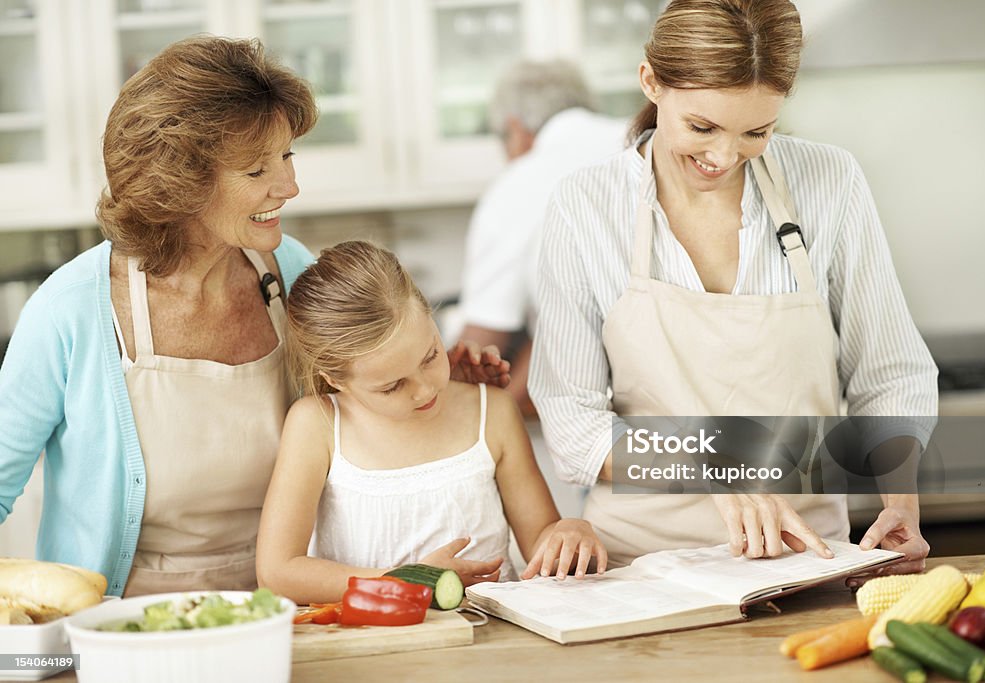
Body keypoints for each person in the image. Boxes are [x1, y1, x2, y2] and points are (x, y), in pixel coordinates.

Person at [0, 36, 508, 598]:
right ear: (179, 184)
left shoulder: (291, 273)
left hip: (299, 611)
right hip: (124, 622)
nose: (290, 186)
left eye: (287, 156)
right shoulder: (70, 310)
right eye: (256, 169)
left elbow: (361, 418)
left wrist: (442, 385)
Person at [529, 0, 937, 577]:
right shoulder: (587, 206)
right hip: (638, 570)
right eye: (702, 127)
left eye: (756, 131)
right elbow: (574, 423)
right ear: (650, 81)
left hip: (806, 561)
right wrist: (713, 466)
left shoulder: (830, 181)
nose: (723, 156)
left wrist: (900, 503)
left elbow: (890, 373)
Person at [256, 241, 607, 605]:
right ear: (335, 379)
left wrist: (568, 532)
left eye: (430, 357)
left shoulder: (492, 411)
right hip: (371, 645)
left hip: (491, 639)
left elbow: (541, 540)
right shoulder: (318, 425)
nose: (424, 391)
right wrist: (407, 582)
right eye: (392, 386)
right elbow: (278, 572)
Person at [458, 60, 627, 417]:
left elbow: (485, 336)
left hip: (594, 399)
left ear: (515, 130)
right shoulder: (648, 136)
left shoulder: (520, 181)